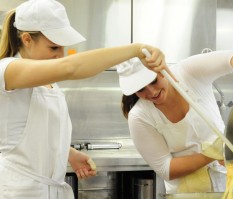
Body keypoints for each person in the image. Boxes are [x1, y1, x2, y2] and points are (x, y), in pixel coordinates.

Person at [0, 0, 165, 198]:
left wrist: (68, 153)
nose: (60, 55)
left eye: (63, 48)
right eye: (53, 48)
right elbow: (71, 67)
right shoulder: (7, 69)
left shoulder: (49, 84)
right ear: (27, 39)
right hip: (19, 191)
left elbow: (32, 132)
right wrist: (135, 49)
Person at [117, 50, 233, 194]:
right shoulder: (139, 117)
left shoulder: (189, 72)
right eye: (140, 90)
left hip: (232, 184)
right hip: (188, 193)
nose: (151, 92)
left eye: (153, 81)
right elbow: (166, 169)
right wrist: (214, 153)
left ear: (162, 69)